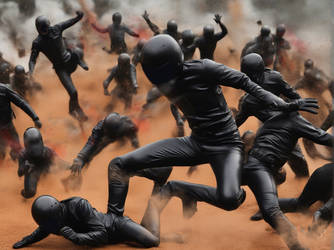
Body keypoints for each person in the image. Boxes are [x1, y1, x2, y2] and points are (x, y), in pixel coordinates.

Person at [106, 34, 308, 220]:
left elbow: (245, 82)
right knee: (119, 165)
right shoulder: (162, 84)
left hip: (226, 146)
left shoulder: (204, 68)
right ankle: (113, 222)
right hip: (195, 143)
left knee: (230, 199)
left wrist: (280, 103)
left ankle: (182, 190)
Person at [160, 102, 327, 250]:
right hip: (257, 168)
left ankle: (185, 190)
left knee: (228, 199)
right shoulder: (291, 121)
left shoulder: (270, 122)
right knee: (271, 210)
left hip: (249, 169)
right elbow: (322, 137)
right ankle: (297, 246)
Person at [235, 53, 309, 178]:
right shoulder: (247, 97)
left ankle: (304, 182)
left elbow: (294, 96)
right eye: (248, 75)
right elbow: (239, 119)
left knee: (297, 158)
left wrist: (292, 114)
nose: (251, 78)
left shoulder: (274, 78)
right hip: (268, 128)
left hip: (285, 124)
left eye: (253, 74)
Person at [62, 112, 172, 191]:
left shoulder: (127, 124)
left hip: (116, 137)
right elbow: (91, 143)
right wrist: (80, 158)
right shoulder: (100, 129)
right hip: (104, 139)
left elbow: (133, 132)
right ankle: (71, 178)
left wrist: (135, 142)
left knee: (134, 155)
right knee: (89, 156)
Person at [12, 195, 160, 248]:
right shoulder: (53, 219)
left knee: (152, 241)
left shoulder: (78, 205)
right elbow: (44, 229)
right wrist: (27, 240)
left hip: (116, 225)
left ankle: (156, 200)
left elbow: (102, 235)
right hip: (111, 236)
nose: (52, 228)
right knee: (141, 236)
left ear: (58, 214)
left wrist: (76, 237)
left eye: (51, 223)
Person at [29, 12, 88, 122]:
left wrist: (78, 17)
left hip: (70, 61)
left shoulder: (56, 28)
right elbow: (32, 59)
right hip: (61, 69)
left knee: (77, 51)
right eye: (42, 30)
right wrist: (31, 71)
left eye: (46, 28)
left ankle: (82, 62)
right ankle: (75, 110)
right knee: (73, 93)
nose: (45, 32)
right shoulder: (37, 42)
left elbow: (69, 22)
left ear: (49, 25)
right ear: (38, 29)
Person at [252, 162, 334, 236]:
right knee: (324, 212)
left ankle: (268, 206)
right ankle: (311, 235)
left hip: (323, 172)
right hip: (325, 178)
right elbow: (325, 211)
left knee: (300, 204)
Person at [18, 128, 67, 198]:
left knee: (61, 172)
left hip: (46, 169)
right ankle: (24, 195)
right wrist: (26, 166)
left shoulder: (47, 151)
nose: (35, 147)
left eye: (37, 142)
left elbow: (59, 162)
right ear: (26, 144)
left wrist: (70, 167)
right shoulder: (23, 155)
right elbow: (19, 173)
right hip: (33, 171)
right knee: (29, 193)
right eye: (32, 143)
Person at [0, 83, 41, 161]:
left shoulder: (4, 90)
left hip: (7, 125)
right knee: (2, 153)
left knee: (17, 150)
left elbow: (21, 103)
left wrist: (35, 118)